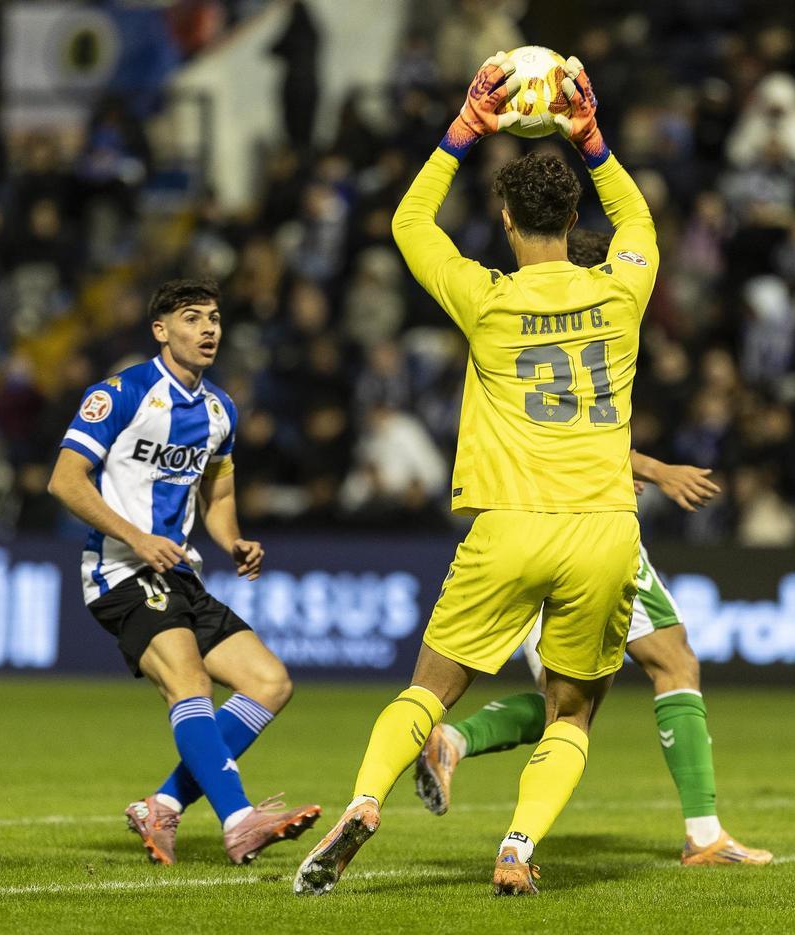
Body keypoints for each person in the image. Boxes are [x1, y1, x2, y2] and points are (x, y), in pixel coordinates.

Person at [296, 53, 655, 896]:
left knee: (429, 691)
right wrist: (594, 141)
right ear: (575, 217)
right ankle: (518, 846)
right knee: (572, 710)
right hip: (605, 530)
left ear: (504, 219)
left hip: (511, 524)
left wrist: (462, 130)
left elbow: (409, 222)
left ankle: (364, 801)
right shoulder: (622, 293)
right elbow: (638, 220)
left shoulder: (486, 299)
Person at [47, 278, 320, 866]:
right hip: (119, 570)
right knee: (189, 682)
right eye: (192, 318)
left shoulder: (220, 410)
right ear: (161, 330)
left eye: (214, 318)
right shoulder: (120, 394)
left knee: (269, 683)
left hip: (178, 573)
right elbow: (64, 481)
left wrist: (232, 540)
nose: (208, 329)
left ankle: (164, 805)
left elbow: (217, 494)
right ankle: (240, 821)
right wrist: (137, 537)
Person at [418, 454, 771, 866]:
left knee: (566, 704)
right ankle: (705, 835)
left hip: (520, 537)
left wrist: (603, 472)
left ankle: (454, 741)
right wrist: (654, 472)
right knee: (670, 666)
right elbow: (584, 433)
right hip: (592, 535)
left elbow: (548, 438)